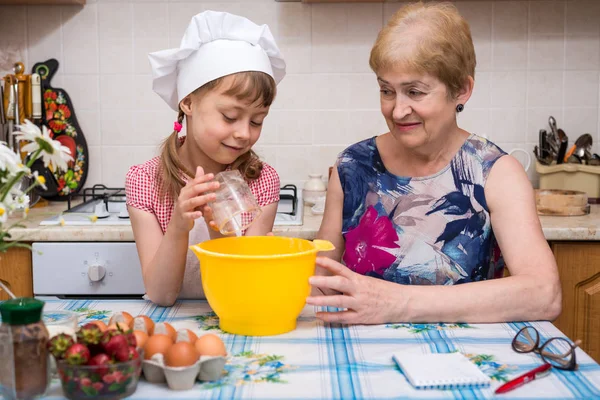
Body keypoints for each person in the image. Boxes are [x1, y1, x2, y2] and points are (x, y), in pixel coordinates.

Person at [307, 1, 561, 325]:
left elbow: (544, 294)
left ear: (462, 90)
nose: (398, 111)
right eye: (387, 91)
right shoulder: (352, 168)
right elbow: (320, 278)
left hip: (466, 360)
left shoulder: (495, 173)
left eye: (415, 92)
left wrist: (398, 303)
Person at [125, 11, 285, 306]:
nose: (243, 134)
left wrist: (219, 226)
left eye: (257, 121)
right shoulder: (146, 181)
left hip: (235, 312)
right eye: (230, 116)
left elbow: (242, 287)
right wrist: (178, 226)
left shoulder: (262, 181)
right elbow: (161, 294)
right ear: (187, 102)